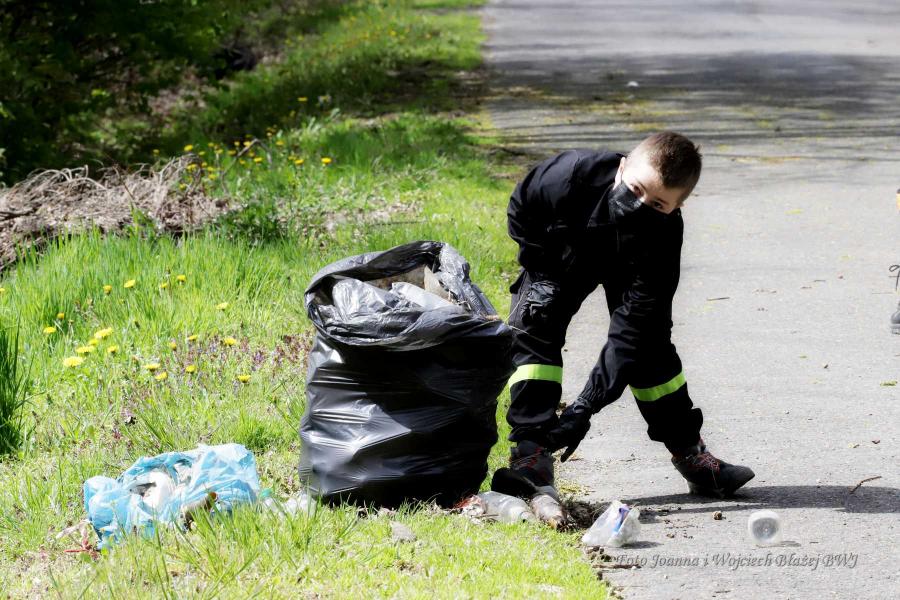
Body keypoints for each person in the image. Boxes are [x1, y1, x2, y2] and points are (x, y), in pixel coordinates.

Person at [492, 131, 755, 502]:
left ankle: (690, 455)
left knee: (650, 347)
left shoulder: (664, 239)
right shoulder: (568, 176)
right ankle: (531, 454)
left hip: (632, 266)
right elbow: (521, 208)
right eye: (635, 190)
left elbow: (629, 335)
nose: (640, 206)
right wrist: (540, 267)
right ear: (621, 168)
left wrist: (584, 408)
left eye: (658, 204)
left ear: (677, 208)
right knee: (536, 325)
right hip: (564, 252)